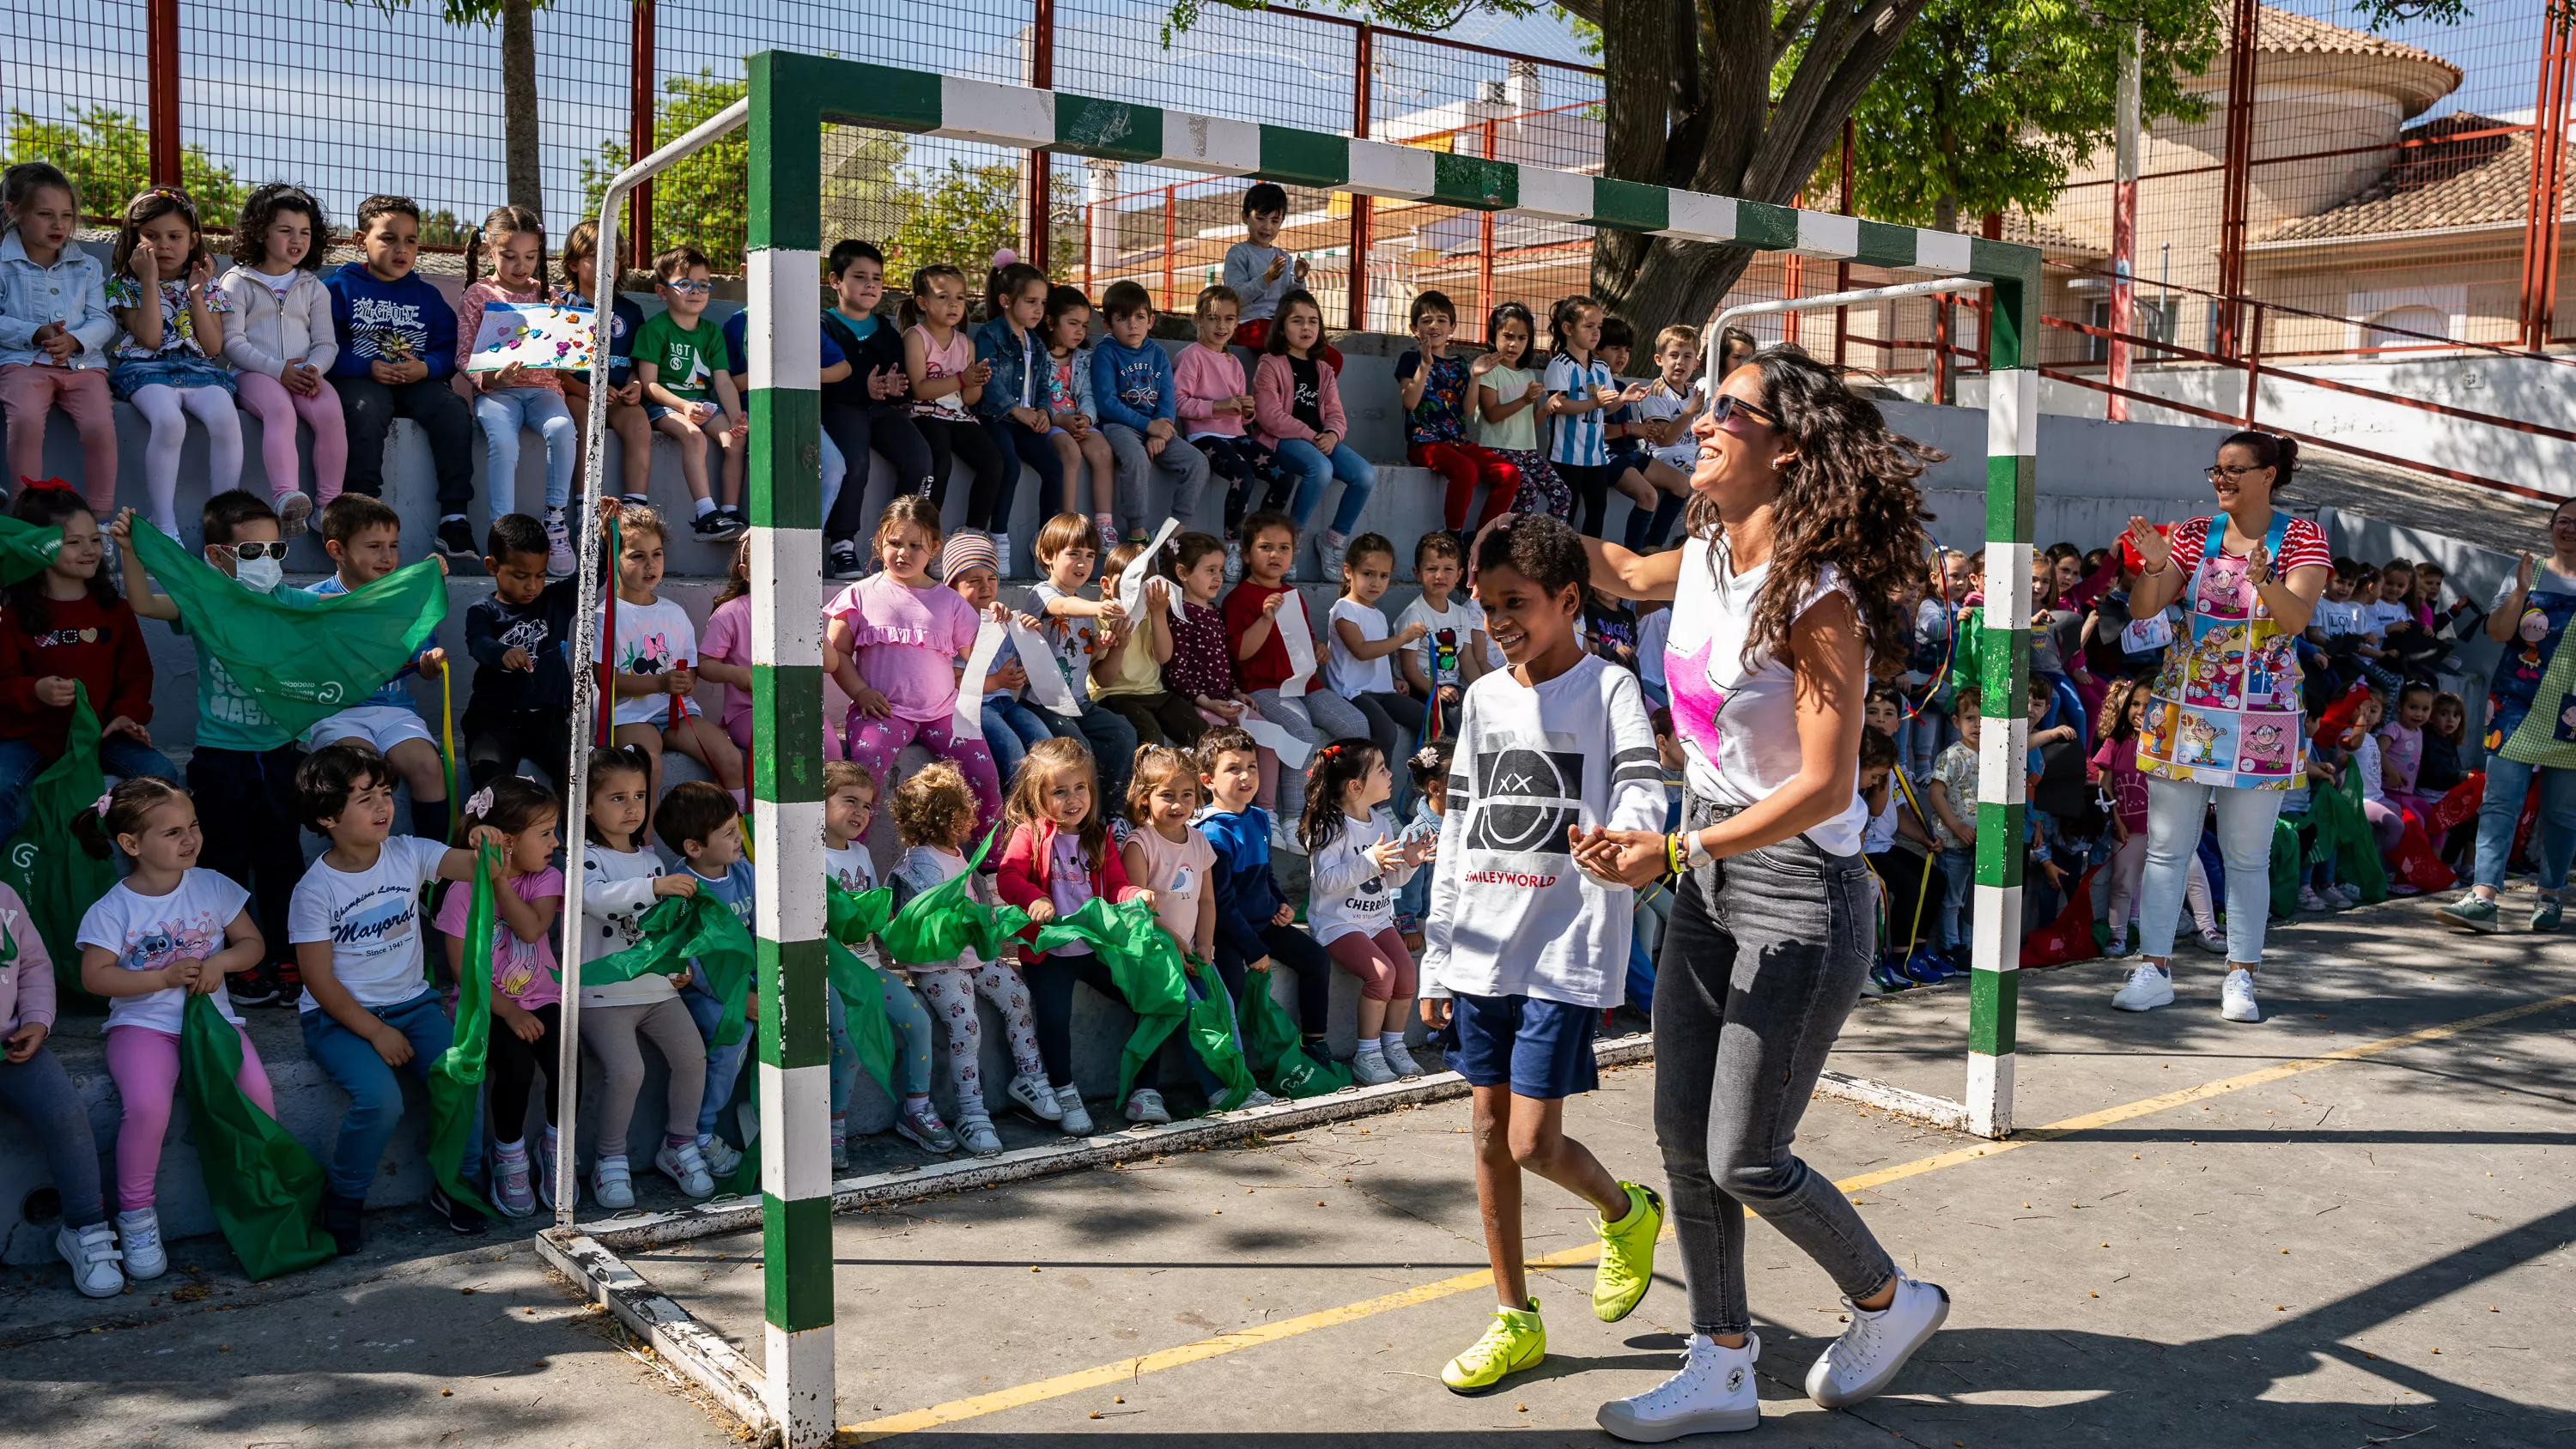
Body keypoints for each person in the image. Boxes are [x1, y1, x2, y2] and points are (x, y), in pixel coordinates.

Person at [1565, 345, 1952, 1434]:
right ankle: (1722, 1362)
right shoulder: (1701, 553)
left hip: (1802, 894)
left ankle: (1891, 1297)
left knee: (1744, 1151)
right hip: (1711, 874)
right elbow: (1615, 571)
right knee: (1682, 1136)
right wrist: (1528, 525)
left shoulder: (1821, 598)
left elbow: (1826, 781)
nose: (1702, 420)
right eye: (1706, 404)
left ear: (1786, 446)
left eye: (1727, 409)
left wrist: (1679, 851)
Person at [1417, 513, 1665, 1398]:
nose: (1499, 621)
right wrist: (1436, 955)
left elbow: (1640, 777)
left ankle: (1625, 1210)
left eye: (1515, 603)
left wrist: (1632, 827)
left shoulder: (1609, 690)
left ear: (1569, 597)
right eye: (1487, 607)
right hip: (1481, 944)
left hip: (1563, 945)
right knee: (1486, 1132)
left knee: (1530, 1139)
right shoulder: (1483, 698)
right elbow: (1456, 831)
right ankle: (1514, 1316)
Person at [2120, 428, 2330, 1022]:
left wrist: (2264, 578)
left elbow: (2292, 621)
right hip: (2183, 714)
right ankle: (2153, 968)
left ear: (2269, 474)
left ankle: (2241, 975)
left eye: (2235, 469)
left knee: (2246, 856)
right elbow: (2144, 607)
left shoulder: (2303, 537)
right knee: (2165, 850)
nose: (2222, 480)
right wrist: (2155, 567)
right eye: (2216, 470)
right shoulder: (2192, 536)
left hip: (2261, 721)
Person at [288, 743, 504, 1247]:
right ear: (325, 816)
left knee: (461, 1076)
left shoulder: (408, 852)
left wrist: (481, 838)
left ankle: (456, 1182)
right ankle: (344, 1197)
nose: (383, 806)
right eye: (364, 798)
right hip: (338, 1019)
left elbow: (481, 868)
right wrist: (376, 1031)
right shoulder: (314, 891)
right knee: (380, 1101)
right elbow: (319, 982)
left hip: (415, 1005)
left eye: (385, 793)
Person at [112, 492, 306, 1006]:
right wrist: (131, 550)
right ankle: (236, 958)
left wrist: (400, 590)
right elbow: (143, 603)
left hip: (280, 754)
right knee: (223, 859)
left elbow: (344, 613)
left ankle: (286, 954)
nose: (266, 563)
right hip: (221, 756)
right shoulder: (204, 602)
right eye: (251, 553)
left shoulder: (288, 602)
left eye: (275, 552)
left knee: (281, 857)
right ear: (218, 556)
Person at [74, 778, 269, 1282]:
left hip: (215, 1024)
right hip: (143, 1027)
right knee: (148, 1106)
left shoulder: (213, 885)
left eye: (194, 826)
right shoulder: (114, 908)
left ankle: (259, 1200)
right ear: (131, 845)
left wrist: (219, 962)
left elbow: (252, 943)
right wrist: (159, 977)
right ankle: (136, 1216)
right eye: (173, 832)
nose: (190, 840)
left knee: (258, 1096)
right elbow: (95, 976)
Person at [571, 743, 713, 1209]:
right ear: (586, 805)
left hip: (655, 991)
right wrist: (655, 887)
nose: (632, 807)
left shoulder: (652, 859)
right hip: (603, 996)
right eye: (617, 798)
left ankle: (680, 1144)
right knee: (627, 1071)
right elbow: (596, 899)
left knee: (693, 1057)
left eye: (638, 796)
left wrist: (677, 965)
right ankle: (610, 1159)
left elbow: (663, 931)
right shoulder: (584, 859)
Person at [890, 761, 1052, 1157]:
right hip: (940, 965)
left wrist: (991, 923)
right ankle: (971, 1112)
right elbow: (931, 918)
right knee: (967, 1026)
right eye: (964, 810)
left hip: (972, 957)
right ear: (945, 817)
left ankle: (1030, 1076)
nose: (973, 816)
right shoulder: (921, 861)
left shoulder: (956, 853)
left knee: (1018, 997)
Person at [0, 486, 174, 845]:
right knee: (3, 784)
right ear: (40, 547)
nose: (90, 550)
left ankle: (154, 874)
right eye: (73, 542)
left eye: (94, 539)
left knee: (160, 774)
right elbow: (4, 680)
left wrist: (128, 714)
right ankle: (13, 882)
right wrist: (35, 690)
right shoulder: (14, 616)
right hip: (32, 738)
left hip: (102, 735)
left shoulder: (114, 611)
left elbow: (137, 674)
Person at [825, 494, 1006, 834]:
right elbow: (838, 655)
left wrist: (998, 623)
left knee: (984, 775)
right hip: (882, 712)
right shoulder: (860, 595)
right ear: (879, 541)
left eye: (915, 545)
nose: (903, 553)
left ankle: (992, 870)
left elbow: (977, 656)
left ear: (934, 547)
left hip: (943, 713)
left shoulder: (950, 602)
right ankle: (848, 855)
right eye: (894, 542)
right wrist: (860, 692)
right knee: (863, 773)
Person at [993, 737, 1149, 1131]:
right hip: (1049, 952)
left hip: (1094, 948)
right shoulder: (1029, 833)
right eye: (1059, 791)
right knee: (1053, 1015)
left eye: (1080, 788)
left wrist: (1136, 895)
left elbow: (1115, 886)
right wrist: (1035, 898)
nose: (1073, 798)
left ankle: (1146, 1090)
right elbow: (1008, 876)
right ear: (1037, 795)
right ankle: (1064, 1090)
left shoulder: (1098, 835)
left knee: (1147, 998)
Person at [2439, 499, 2576, 934]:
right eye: (2564, 521)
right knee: (2499, 802)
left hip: (2572, 714)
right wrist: (2518, 592)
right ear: (2551, 525)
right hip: (2516, 705)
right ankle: (2483, 899)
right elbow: (2498, 632)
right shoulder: (2528, 575)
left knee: (2562, 814)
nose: (2569, 529)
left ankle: (2550, 896)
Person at [433, 775, 565, 1216]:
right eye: (544, 833)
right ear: (507, 842)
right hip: (486, 1004)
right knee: (516, 1065)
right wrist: (508, 1011)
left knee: (567, 1058)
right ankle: (508, 1155)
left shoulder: (545, 878)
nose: (555, 842)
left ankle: (557, 1146)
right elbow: (461, 970)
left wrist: (501, 879)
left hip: (542, 995)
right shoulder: (460, 893)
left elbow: (530, 928)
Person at [325, 195, 477, 560]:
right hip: (360, 378)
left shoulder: (427, 296)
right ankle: (362, 512)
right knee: (364, 410)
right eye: (389, 238)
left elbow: (448, 350)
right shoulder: (339, 287)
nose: (401, 249)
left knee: (454, 410)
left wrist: (427, 368)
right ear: (361, 241)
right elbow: (323, 344)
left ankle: (454, 518)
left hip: (416, 380)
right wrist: (365, 367)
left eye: (410, 240)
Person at [301, 494, 449, 834]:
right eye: (374, 546)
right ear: (337, 551)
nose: (388, 557)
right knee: (360, 770)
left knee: (428, 766)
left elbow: (420, 658)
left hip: (395, 711)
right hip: (335, 712)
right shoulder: (311, 602)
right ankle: (364, 865)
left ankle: (437, 874)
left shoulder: (405, 598)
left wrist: (429, 663)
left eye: (393, 546)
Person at [1, 870, 118, 1296]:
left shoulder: (5, 896)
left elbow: (32, 964)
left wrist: (36, 1020)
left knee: (65, 1115)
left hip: (13, 1047)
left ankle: (85, 1229)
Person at [106, 184, 244, 540]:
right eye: (151, 236)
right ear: (134, 238)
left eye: (174, 236)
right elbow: (150, 338)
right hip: (146, 370)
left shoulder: (208, 285)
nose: (164, 245)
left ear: (193, 239)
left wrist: (197, 296)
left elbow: (213, 348)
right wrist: (149, 281)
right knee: (169, 423)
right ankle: (164, 524)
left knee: (227, 421)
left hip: (198, 370)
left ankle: (224, 526)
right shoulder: (125, 283)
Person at [1224, 509, 1370, 832]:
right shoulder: (1239, 598)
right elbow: (1241, 653)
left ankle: (1351, 803)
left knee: (1356, 724)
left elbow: (1301, 639)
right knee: (1300, 731)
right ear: (1247, 554)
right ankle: (1295, 816)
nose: (1276, 554)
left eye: (1284, 547)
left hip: (1305, 686)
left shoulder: (1293, 595)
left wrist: (1318, 648)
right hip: (1263, 688)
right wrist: (1264, 619)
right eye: (1265, 547)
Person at [1195, 725, 1335, 1059]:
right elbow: (1223, 904)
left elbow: (1267, 872)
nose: (1246, 776)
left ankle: (1313, 1042)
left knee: (1316, 959)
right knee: (1232, 988)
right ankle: (1231, 1063)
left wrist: (1282, 902)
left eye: (1252, 767)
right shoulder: (1211, 833)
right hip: (1225, 931)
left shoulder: (1258, 818)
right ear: (1207, 781)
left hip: (1263, 920)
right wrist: (1253, 949)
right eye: (1233, 769)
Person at [597, 505, 745, 814]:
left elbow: (689, 669)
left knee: (730, 758)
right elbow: (606, 681)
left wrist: (685, 683)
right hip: (629, 716)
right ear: (614, 558)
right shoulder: (604, 616)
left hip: (677, 713)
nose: (650, 564)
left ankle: (739, 836)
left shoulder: (674, 613)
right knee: (648, 764)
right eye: (637, 556)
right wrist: (661, 682)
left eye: (657, 554)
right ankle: (644, 848)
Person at [1299, 739, 1425, 1087]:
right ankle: (1367, 1054)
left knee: (1406, 976)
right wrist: (1370, 861)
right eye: (1382, 769)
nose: (1390, 773)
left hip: (1377, 919)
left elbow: (1390, 877)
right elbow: (1326, 881)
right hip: (1339, 923)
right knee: (1382, 975)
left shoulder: (1380, 821)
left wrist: (1409, 863)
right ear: (1355, 786)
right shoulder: (1331, 825)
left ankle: (1394, 1045)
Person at [218, 182, 342, 523]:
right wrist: (277, 370)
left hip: (304, 376)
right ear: (260, 233)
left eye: (304, 232)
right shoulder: (237, 281)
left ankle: (329, 507)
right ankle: (287, 495)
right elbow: (232, 343)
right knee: (280, 410)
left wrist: (315, 369)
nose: (297, 240)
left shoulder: (313, 287)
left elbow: (326, 343)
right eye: (285, 231)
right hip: (253, 375)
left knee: (331, 413)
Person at [0, 161, 118, 511]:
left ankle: (100, 518)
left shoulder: (88, 266)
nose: (59, 225)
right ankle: (29, 514)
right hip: (22, 364)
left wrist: (76, 341)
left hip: (83, 367)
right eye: (45, 214)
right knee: (24, 422)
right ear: (13, 211)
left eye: (66, 216)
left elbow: (103, 320)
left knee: (100, 427)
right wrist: (32, 332)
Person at [457, 205, 578, 540]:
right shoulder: (478, 295)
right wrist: (493, 379)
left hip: (543, 392)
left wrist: (560, 324)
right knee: (504, 442)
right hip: (497, 393)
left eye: (530, 256)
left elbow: (563, 354)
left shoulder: (547, 293)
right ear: (489, 250)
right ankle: (504, 531)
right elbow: (464, 357)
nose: (521, 266)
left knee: (563, 428)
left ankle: (555, 522)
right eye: (510, 256)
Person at [818, 239, 933, 579]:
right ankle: (842, 546)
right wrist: (862, 388)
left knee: (920, 459)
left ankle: (904, 542)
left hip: (880, 411)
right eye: (859, 277)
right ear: (835, 280)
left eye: (877, 278)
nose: (870, 285)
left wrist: (896, 389)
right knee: (855, 463)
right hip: (839, 409)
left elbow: (897, 380)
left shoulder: (886, 331)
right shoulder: (824, 326)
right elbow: (820, 380)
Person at [1250, 289, 1372, 582]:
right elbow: (1269, 416)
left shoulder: (1324, 370)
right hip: (1282, 440)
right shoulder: (1270, 364)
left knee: (1364, 474)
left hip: (1320, 441)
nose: (1306, 328)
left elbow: (1335, 413)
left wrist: (1332, 434)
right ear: (1281, 326)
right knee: (1320, 469)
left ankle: (1334, 540)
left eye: (1313, 321)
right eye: (1297, 321)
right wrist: (1310, 434)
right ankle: (1291, 541)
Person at [1026, 511, 1142, 803]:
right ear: (1047, 555)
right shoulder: (1041, 594)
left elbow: (1098, 676)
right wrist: (1097, 608)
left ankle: (1111, 814)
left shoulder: (1085, 611)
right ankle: (1084, 819)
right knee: (1077, 748)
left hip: (1080, 703)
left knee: (1123, 732)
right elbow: (1062, 605)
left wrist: (1109, 647)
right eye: (1074, 553)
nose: (1083, 563)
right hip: (1043, 704)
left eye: (1090, 555)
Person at [634, 246, 746, 544]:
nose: (695, 291)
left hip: (702, 404)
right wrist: (683, 406)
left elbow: (722, 382)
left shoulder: (712, 332)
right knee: (694, 436)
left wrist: (735, 416)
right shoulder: (654, 329)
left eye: (703, 285)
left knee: (735, 439)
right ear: (662, 291)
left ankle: (730, 512)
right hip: (663, 407)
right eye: (684, 284)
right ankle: (706, 515)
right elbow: (650, 385)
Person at [463, 512, 582, 791]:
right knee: (491, 784)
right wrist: (501, 652)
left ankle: (580, 836)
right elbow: (478, 643)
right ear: (493, 567)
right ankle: (489, 834)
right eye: (520, 576)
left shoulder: (556, 601)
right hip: (493, 720)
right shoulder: (483, 611)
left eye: (540, 575)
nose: (532, 585)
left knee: (579, 777)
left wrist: (604, 536)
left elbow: (593, 574)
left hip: (547, 718)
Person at [558, 217, 651, 562]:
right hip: (577, 395)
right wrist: (585, 393)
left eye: (613, 257)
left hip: (616, 398)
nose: (606, 265)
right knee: (586, 420)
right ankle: (587, 512)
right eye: (596, 256)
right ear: (573, 263)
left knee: (640, 421)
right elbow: (557, 372)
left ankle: (636, 513)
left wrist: (635, 386)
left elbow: (636, 366)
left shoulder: (631, 310)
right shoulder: (564, 305)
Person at [1090, 280, 1211, 543]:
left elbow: (1168, 399)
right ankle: (1137, 533)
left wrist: (1161, 430)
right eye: (1123, 319)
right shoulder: (1105, 354)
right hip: (1120, 426)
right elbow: (1107, 404)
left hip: (1156, 427)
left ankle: (1172, 534)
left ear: (1151, 320)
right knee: (1137, 458)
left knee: (1198, 463)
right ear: (1107, 325)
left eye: (1140, 317)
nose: (1133, 325)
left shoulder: (1158, 354)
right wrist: (1148, 427)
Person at [1396, 289, 1519, 537]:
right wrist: (1425, 364)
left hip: (1457, 442)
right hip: (1425, 443)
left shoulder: (1459, 364)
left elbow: (1467, 410)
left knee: (1510, 473)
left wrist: (1474, 377)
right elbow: (1410, 401)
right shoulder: (1411, 359)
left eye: (1442, 320)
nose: (1434, 326)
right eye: (1426, 320)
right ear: (1414, 328)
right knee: (1467, 470)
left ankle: (1483, 537)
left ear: (1452, 327)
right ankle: (1454, 535)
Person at [902, 262, 1012, 537]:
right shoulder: (915, 337)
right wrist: (962, 379)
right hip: (924, 414)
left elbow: (969, 400)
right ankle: (926, 537)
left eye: (960, 298)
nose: (953, 304)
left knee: (994, 463)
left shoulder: (967, 343)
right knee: (941, 463)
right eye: (943, 297)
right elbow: (919, 389)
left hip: (959, 417)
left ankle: (972, 533)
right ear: (922, 303)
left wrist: (976, 383)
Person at [1176, 284, 1284, 555]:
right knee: (1243, 477)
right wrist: (1218, 406)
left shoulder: (1233, 362)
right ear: (1197, 320)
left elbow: (1240, 412)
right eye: (1213, 318)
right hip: (1203, 436)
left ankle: (1259, 539)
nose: (1221, 326)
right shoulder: (1190, 356)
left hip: (1236, 435)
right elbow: (1178, 403)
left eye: (1229, 319)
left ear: (1237, 322)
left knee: (1283, 477)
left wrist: (1247, 410)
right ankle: (1233, 545)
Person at [972, 254, 1062, 573]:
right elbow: (989, 380)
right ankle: (998, 537)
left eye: (1043, 302)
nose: (1039, 309)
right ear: (1006, 301)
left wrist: (1043, 412)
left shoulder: (1035, 343)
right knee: (1008, 464)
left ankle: (1049, 543)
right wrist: (1015, 410)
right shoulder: (990, 334)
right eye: (1031, 301)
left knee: (1053, 467)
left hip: (1025, 422)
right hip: (996, 419)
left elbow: (1043, 384)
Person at [943, 531, 1050, 784]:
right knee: (1012, 749)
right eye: (974, 580)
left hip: (1006, 703)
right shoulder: (951, 625)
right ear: (952, 587)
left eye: (992, 578)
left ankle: (1045, 810)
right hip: (974, 708)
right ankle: (1015, 814)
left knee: (1045, 741)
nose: (986, 586)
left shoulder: (1002, 620)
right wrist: (999, 680)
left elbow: (1024, 669)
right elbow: (958, 683)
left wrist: (1034, 638)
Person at [1324, 531, 1427, 786]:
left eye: (1384, 576)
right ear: (1348, 571)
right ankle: (1376, 794)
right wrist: (1403, 638)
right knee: (1387, 731)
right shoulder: (1343, 609)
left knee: (1428, 716)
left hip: (1381, 690)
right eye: (1368, 574)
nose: (1376, 582)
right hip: (1353, 691)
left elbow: (1376, 657)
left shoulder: (1378, 614)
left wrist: (1392, 679)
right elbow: (1361, 650)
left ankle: (1423, 787)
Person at [1541, 294, 1642, 543]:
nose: (1596, 332)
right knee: (1566, 513)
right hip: (1565, 456)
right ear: (1568, 328)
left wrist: (1622, 400)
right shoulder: (1560, 365)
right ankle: (1556, 565)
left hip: (1596, 457)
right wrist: (1594, 403)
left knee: (1597, 514)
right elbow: (1559, 404)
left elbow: (1603, 409)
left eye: (1598, 326)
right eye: (1589, 326)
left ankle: (1590, 570)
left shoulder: (1600, 368)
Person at [1092, 540, 1204, 749]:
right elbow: (1104, 681)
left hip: (1155, 694)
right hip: (1115, 696)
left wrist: (1158, 613)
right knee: (1151, 740)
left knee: (1202, 735)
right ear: (1107, 586)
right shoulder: (1100, 616)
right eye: (1130, 583)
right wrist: (1119, 645)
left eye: (1146, 583)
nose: (1137, 590)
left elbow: (1163, 656)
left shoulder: (1152, 613)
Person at [1038, 284, 1119, 555]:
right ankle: (1067, 524)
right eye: (1072, 323)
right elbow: (1037, 395)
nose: (1079, 331)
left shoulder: (1083, 358)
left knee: (1103, 451)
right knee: (1071, 452)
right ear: (1050, 322)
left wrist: (1086, 417)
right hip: (1050, 423)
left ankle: (1104, 523)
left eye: (1083, 325)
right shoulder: (1038, 355)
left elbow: (1087, 394)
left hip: (1078, 421)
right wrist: (1061, 420)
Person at [1394, 531, 1493, 739]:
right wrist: (1436, 691)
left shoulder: (1461, 613)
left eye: (1448, 569)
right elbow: (1409, 669)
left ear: (1459, 575)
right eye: (1432, 569)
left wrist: (1481, 691)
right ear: (1417, 573)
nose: (1440, 576)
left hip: (1452, 688)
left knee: (1486, 711)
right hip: (1420, 690)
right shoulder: (1414, 615)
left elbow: (1467, 660)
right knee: (1455, 723)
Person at [1475, 301, 1568, 521]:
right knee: (1528, 493)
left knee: (1562, 495)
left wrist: (1545, 408)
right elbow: (1492, 414)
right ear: (1494, 335)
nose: (1513, 344)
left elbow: (1530, 422)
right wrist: (1525, 399)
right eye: (1507, 336)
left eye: (1521, 338)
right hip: (1497, 448)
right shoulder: (1489, 371)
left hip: (1526, 451)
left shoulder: (1528, 375)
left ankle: (1549, 545)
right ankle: (1508, 543)